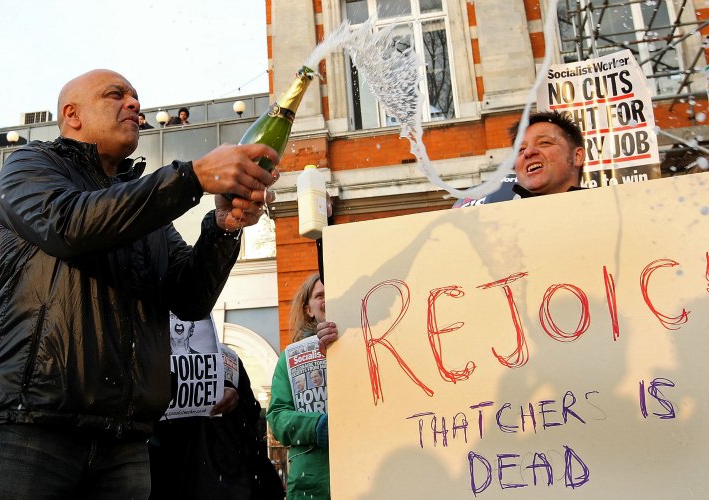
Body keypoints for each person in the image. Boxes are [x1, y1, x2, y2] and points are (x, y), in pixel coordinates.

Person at [0, 69, 279, 499]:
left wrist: (222, 228)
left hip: (123, 439)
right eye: (116, 94)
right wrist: (191, 177)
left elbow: (190, 297)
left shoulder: (144, 205)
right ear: (71, 114)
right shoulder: (30, 164)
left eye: (135, 97)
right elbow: (68, 223)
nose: (134, 103)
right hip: (28, 425)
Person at [317, 110, 587, 354]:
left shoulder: (619, 219)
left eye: (545, 143)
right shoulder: (481, 229)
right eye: (520, 149)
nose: (528, 153)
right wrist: (348, 336)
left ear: (577, 156)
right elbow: (420, 304)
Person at [150, 315, 284, 500]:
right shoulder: (149, 360)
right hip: (178, 471)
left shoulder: (229, 357)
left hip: (223, 474)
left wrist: (235, 402)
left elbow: (252, 413)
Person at [267, 273, 329, 500]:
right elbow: (277, 417)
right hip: (311, 484)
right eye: (320, 295)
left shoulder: (363, 343)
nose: (327, 299)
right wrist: (317, 426)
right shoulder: (290, 358)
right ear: (308, 310)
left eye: (333, 293)